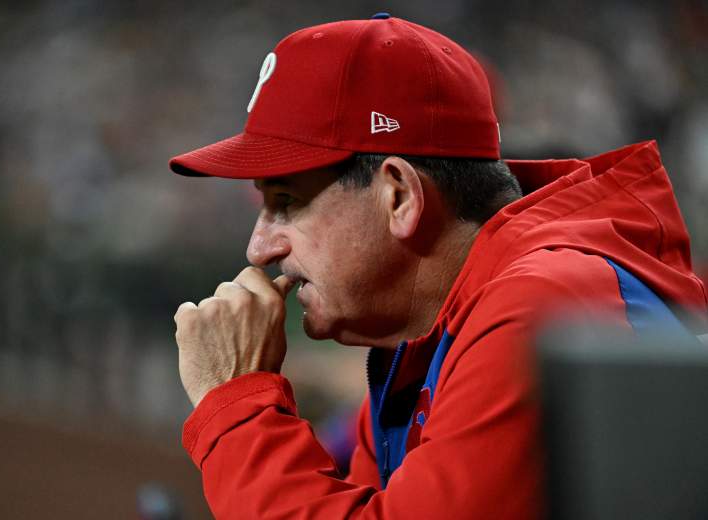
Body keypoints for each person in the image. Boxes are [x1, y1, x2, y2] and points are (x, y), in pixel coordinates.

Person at [169, 14, 707, 519]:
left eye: (286, 202)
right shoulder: (423, 335)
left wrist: (235, 403)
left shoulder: (543, 304)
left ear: (399, 196)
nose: (259, 249)